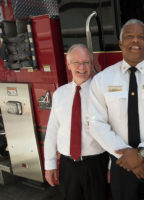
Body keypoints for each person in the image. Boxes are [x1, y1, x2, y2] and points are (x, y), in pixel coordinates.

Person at [88, 19, 144, 200]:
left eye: (140, 37)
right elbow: (96, 122)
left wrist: (143, 152)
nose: (135, 41)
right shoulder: (102, 80)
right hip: (121, 165)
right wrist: (127, 156)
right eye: (129, 37)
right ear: (121, 43)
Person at [44, 44, 108, 200]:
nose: (82, 67)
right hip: (68, 166)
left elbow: (115, 130)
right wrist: (50, 164)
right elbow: (52, 130)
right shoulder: (60, 94)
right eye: (76, 62)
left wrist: (112, 166)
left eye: (86, 62)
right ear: (68, 64)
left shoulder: (102, 93)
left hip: (96, 164)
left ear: (92, 64)